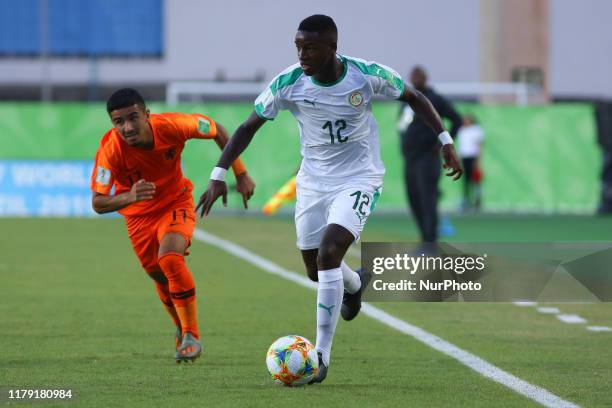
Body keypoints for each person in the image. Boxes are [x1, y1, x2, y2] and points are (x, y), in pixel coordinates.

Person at [197, 15, 462, 383]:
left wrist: (445, 141)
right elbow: (246, 128)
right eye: (298, 46)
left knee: (328, 255)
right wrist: (219, 174)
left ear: (332, 48)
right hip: (312, 182)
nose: (302, 54)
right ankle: (355, 284)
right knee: (315, 270)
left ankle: (320, 357)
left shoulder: (366, 75)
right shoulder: (288, 83)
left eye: (311, 47)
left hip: (359, 178)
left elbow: (414, 97)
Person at [90, 88, 255, 363]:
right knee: (159, 277)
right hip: (138, 218)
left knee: (169, 258)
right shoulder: (110, 151)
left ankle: (192, 334)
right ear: (113, 124)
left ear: (147, 114)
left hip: (175, 202)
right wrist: (129, 196)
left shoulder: (174, 126)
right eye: (119, 122)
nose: (127, 127)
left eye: (133, 118)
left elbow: (220, 131)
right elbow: (98, 202)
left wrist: (240, 172)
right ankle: (181, 328)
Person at [398, 66, 463, 243]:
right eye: (413, 75)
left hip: (427, 157)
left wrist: (442, 144)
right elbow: (403, 127)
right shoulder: (408, 100)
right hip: (410, 158)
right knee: (414, 199)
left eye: (419, 75)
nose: (416, 77)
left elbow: (457, 119)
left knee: (428, 199)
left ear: (426, 78)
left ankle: (430, 241)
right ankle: (424, 238)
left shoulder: (434, 99)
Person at [456, 114, 484, 211]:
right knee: (466, 180)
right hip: (464, 158)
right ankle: (466, 200)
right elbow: (461, 146)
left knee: (476, 180)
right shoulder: (461, 130)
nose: (465, 121)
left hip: (473, 157)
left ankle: (478, 201)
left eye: (466, 119)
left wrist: (478, 161)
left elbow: (479, 146)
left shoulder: (476, 130)